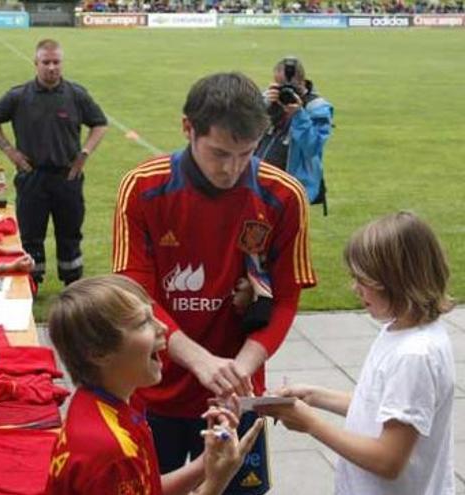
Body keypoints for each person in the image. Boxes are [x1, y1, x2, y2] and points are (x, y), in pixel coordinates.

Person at [112, 72, 315, 488]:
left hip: (236, 396)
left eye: (246, 153)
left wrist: (239, 370)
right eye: (220, 153)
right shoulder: (144, 188)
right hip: (156, 388)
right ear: (188, 128)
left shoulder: (282, 196)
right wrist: (199, 359)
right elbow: (135, 294)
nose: (233, 168)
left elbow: (285, 300)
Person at [257, 212, 455, 495]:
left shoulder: (414, 356)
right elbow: (380, 408)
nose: (355, 287)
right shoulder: (402, 331)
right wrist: (313, 396)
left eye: (363, 279)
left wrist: (310, 423)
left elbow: (388, 461)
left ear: (394, 281)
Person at [46, 275, 264, 495]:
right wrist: (217, 482)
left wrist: (205, 463)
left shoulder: (99, 406)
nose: (163, 328)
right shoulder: (113, 451)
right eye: (143, 323)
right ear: (97, 353)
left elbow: (148, 488)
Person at [0, 38, 108, 286]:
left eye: (56, 62)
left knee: (70, 235)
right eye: (46, 62)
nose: (52, 67)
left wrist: (84, 153)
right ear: (35, 63)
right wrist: (10, 151)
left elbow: (100, 124)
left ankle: (73, 285)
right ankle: (31, 285)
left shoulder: (76, 94)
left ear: (62, 63)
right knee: (31, 236)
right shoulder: (19, 96)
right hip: (32, 178)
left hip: (67, 177)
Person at [255, 57, 333, 206]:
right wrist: (261, 106)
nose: (285, 91)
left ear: (302, 83)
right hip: (260, 180)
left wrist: (299, 115)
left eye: (290, 87)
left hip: (292, 186)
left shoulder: (317, 108)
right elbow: (245, 133)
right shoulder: (267, 99)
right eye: (280, 86)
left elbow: (312, 148)